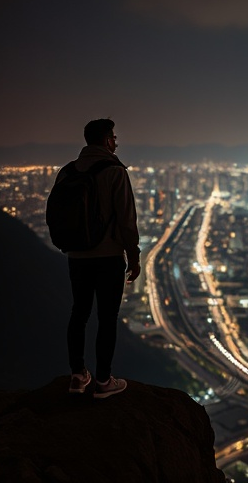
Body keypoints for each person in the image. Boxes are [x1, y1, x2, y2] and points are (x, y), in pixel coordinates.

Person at [59, 118, 140, 398]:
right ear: (106, 141)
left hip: (76, 256)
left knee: (78, 314)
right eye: (114, 137)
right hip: (108, 257)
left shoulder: (67, 172)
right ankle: (104, 382)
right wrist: (134, 255)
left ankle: (77, 376)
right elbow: (127, 220)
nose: (116, 142)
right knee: (107, 318)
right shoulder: (115, 171)